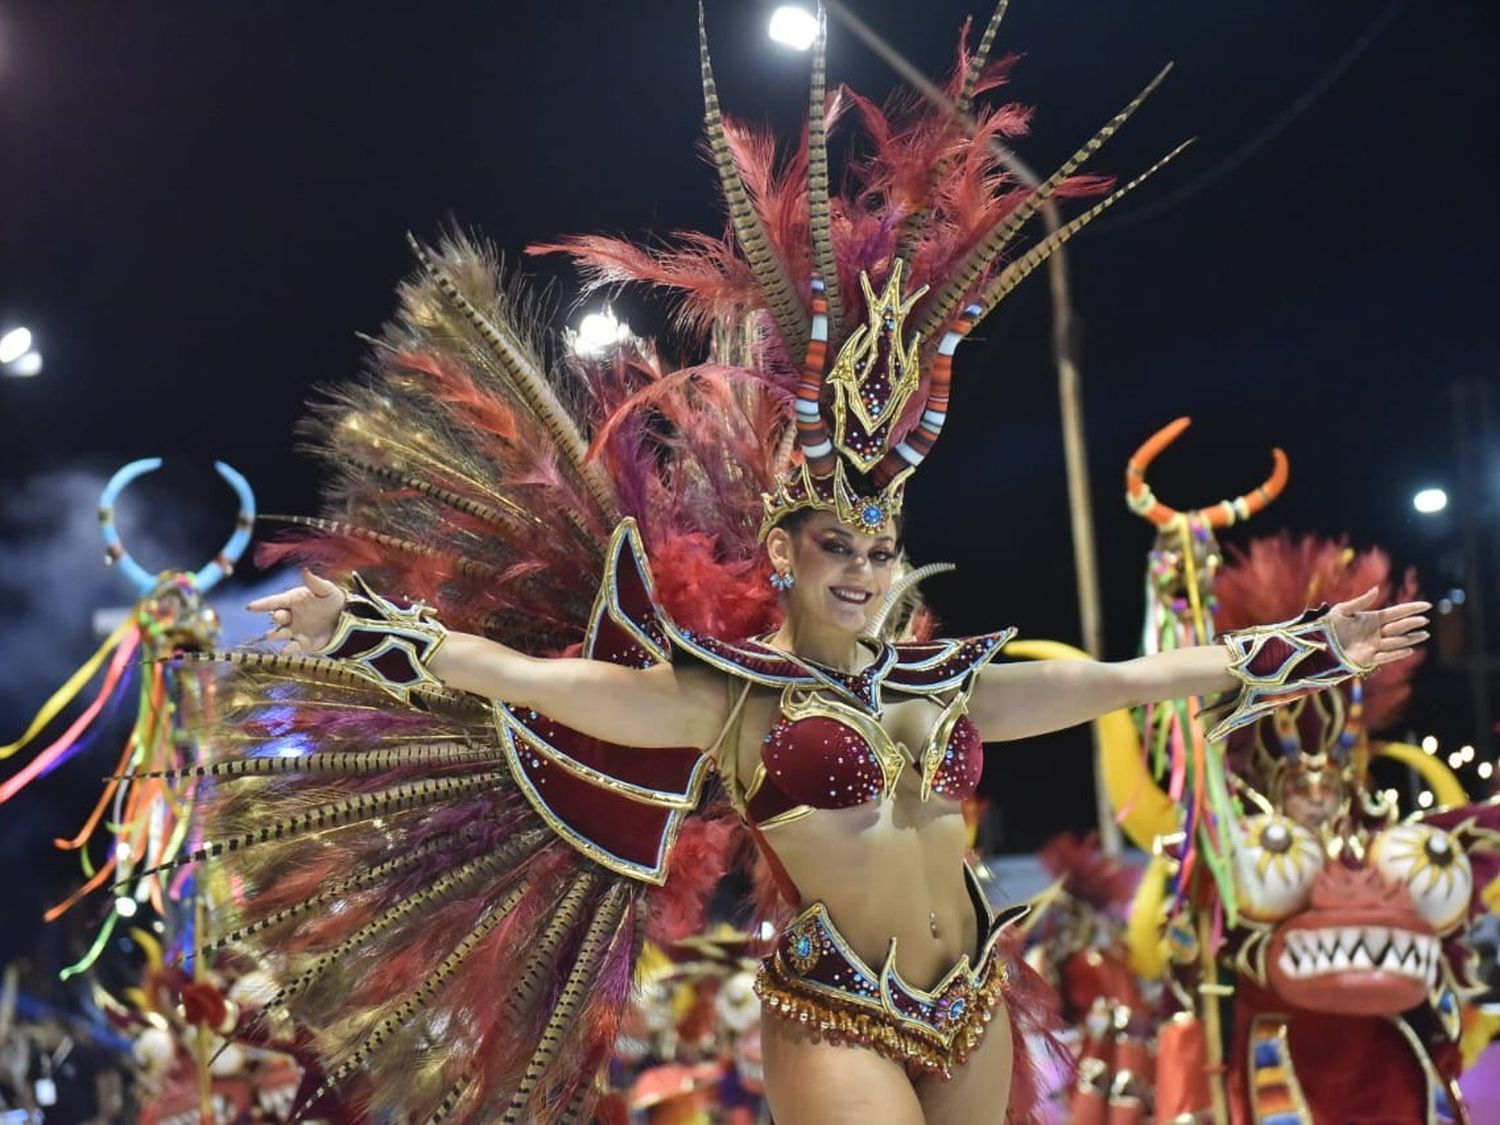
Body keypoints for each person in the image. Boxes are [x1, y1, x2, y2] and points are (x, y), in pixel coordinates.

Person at [178, 7, 1429, 1124]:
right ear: (785, 547)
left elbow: (1128, 679)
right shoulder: (728, 697)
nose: (864, 569)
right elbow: (532, 682)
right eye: (838, 545)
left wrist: (1301, 650)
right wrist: (371, 631)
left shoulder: (949, 686)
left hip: (974, 991)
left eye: (881, 549)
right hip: (836, 1002)